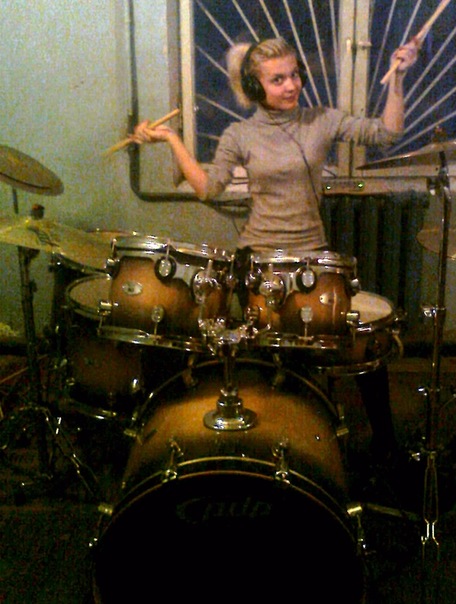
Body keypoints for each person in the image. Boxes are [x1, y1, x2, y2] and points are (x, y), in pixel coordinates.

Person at [130, 37, 419, 464]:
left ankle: (385, 446)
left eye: (294, 75)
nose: (291, 85)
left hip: (312, 258)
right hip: (259, 259)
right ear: (254, 87)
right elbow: (209, 188)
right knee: (266, 355)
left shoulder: (321, 120)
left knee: (365, 341)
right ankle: (277, 439)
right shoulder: (240, 134)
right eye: (278, 79)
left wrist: (397, 79)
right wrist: (172, 139)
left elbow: (386, 133)